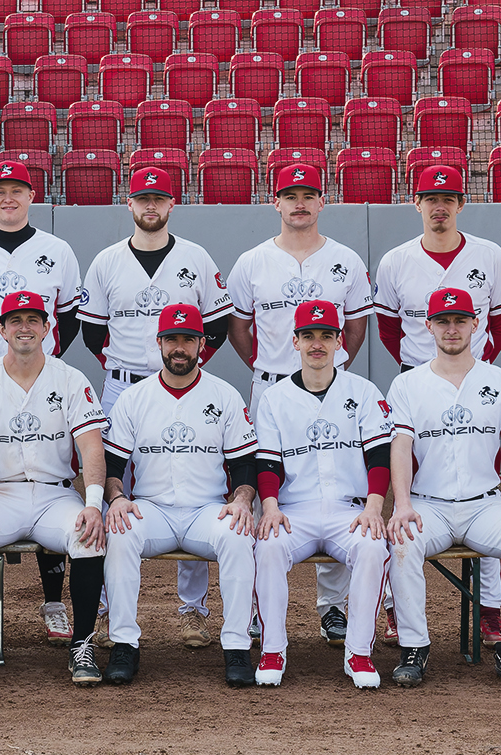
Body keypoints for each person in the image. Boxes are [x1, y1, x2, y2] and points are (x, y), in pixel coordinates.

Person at [78, 168, 234, 648]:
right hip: (122, 388)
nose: (151, 206)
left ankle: (192, 610)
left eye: (159, 198)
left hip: (185, 383)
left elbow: (219, 322)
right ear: (130, 204)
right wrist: (125, 372)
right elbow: (90, 330)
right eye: (143, 198)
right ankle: (107, 605)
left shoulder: (195, 257)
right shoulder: (106, 261)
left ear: (172, 205)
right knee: (112, 491)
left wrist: (189, 369)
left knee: (192, 488)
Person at [225, 162, 377, 648]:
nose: (299, 203)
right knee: (265, 493)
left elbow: (355, 326)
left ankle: (331, 607)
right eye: (290, 195)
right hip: (270, 385)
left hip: (332, 386)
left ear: (321, 201)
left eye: (308, 194)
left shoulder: (346, 260)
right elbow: (238, 328)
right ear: (277, 202)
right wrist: (271, 370)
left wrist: (332, 366)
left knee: (333, 489)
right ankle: (253, 606)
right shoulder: (251, 261)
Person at [371, 165, 501, 643]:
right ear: (415, 203)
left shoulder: (488, 254)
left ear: (462, 203)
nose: (440, 206)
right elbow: (390, 330)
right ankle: (397, 608)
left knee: (484, 489)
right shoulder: (395, 260)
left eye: (449, 197)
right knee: (405, 490)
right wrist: (423, 374)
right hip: (416, 385)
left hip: (477, 386)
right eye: (431, 198)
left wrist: (475, 371)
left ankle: (491, 611)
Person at [0, 160, 86, 645]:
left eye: (18, 190)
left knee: (50, 477)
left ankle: (53, 604)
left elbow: (68, 319)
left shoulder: (57, 250)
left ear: (32, 196)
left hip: (43, 379)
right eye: (0, 191)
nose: (9, 198)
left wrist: (40, 369)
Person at [0, 291, 110, 687]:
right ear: (0, 329)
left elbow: (91, 447)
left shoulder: (70, 378)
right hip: (1, 493)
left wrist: (93, 504)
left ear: (47, 328)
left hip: (56, 494)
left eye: (34, 320)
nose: (25, 328)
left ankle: (82, 645)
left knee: (89, 536)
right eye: (15, 321)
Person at [385, 288, 501, 691]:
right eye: (443, 321)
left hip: (484, 506)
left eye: (460, 320)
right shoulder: (408, 384)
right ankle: (414, 646)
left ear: (476, 324)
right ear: (429, 326)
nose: (452, 328)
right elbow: (400, 447)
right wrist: (402, 503)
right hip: (429, 505)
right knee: (402, 539)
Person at [98, 303, 256, 686]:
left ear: (202, 343)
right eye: (172, 340)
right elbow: (112, 467)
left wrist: (242, 500)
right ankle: (124, 644)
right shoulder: (134, 398)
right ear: (159, 343)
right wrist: (118, 498)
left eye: (188, 339)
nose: (180, 348)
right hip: (153, 510)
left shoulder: (225, 395)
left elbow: (245, 465)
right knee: (119, 531)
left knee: (238, 535)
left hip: (208, 509)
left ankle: (236, 647)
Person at [250, 300, 394, 690]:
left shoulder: (363, 391)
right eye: (309, 335)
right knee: (267, 545)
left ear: (339, 342)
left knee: (372, 547)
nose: (317, 343)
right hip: (294, 509)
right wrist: (270, 507)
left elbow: (379, 456)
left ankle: (359, 652)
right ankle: (272, 650)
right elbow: (268, 463)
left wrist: (375, 508)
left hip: (350, 510)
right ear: (294, 342)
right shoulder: (275, 398)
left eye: (326, 335)